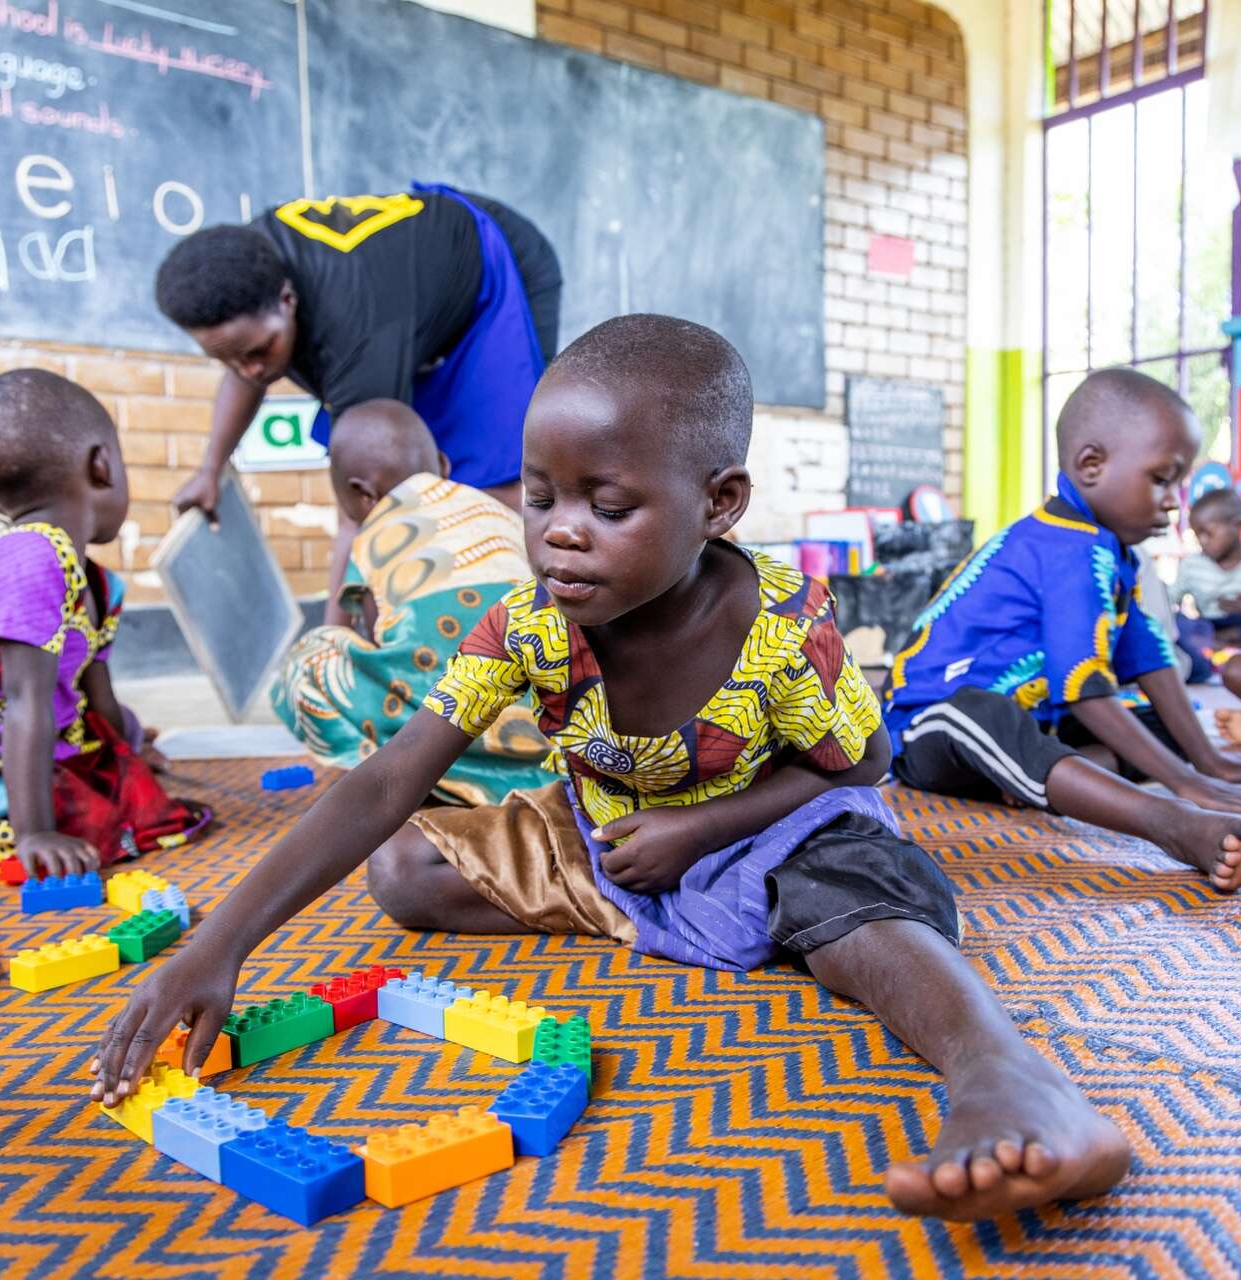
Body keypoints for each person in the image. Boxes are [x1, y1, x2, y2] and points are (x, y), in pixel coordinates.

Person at [92, 316, 1130, 1223]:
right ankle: (724, 921)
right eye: (538, 496)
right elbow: (384, 777)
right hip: (609, 830)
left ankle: (1006, 1074)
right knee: (405, 869)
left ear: (717, 503)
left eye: (608, 504)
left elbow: (860, 758)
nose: (559, 533)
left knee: (856, 897)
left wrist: (699, 830)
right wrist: (219, 943)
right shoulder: (530, 625)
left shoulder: (779, 625)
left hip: (774, 822)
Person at [883, 367, 1241, 894]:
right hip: (932, 728)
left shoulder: (1114, 551)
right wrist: (1183, 784)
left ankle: (1048, 777)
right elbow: (1081, 687)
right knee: (982, 714)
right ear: (1091, 465)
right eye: (1161, 479)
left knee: (1153, 719)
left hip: (1033, 722)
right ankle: (1167, 823)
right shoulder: (1066, 546)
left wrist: (1207, 761)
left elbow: (1149, 658)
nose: (1175, 502)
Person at [154, 186, 562, 622]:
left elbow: (362, 506)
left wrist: (333, 643)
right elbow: (244, 367)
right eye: (227, 359)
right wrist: (209, 470)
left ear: (288, 300)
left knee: (492, 476)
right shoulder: (242, 270)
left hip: (491, 264)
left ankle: (525, 623)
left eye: (258, 352)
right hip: (404, 294)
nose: (249, 370)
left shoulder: (356, 333)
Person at [0, 370, 210, 880]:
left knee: (124, 745)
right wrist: (35, 834)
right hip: (1, 764)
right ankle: (21, 822)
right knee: (108, 816)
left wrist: (130, 745)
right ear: (102, 464)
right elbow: (25, 703)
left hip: (51, 741)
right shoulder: (30, 560)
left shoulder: (100, 585)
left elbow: (98, 696)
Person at [271, 398, 548, 803]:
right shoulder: (497, 512)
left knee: (309, 659)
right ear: (443, 464)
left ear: (361, 495)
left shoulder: (377, 529)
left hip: (451, 734)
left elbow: (386, 643)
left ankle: (412, 780)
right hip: (547, 733)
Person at [1170, 487, 1241, 642]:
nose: (1202, 540)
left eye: (1208, 533)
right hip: (1208, 627)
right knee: (1181, 624)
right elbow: (1169, 602)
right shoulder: (1191, 565)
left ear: (1237, 524)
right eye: (1197, 534)